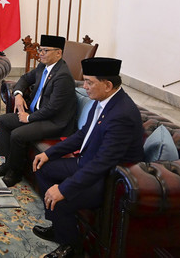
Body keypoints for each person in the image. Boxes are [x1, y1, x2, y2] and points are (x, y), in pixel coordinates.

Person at [31, 57, 144, 258]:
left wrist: (64, 188)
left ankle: (71, 247)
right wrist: (49, 153)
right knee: (42, 167)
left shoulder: (122, 114)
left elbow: (104, 163)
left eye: (89, 82)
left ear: (108, 85)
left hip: (108, 180)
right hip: (87, 162)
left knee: (62, 199)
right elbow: (83, 134)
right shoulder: (103, 100)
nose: (85, 87)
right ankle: (58, 227)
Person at [0, 35, 76, 187]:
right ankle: (8, 162)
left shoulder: (63, 76)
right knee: (3, 121)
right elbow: (25, 78)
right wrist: (18, 94)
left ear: (58, 53)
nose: (41, 53)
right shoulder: (43, 66)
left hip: (54, 122)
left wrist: (29, 119)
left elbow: (53, 108)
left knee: (18, 134)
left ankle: (15, 173)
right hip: (37, 114)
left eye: (45, 50)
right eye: (40, 50)